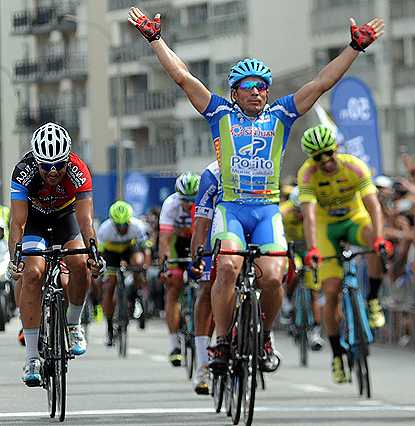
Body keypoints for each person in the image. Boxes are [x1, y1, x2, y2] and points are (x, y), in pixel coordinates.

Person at [127, 6, 385, 374]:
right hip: (231, 209)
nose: (257, 92)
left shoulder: (281, 114)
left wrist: (354, 48)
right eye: (248, 87)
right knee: (227, 268)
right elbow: (182, 76)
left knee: (275, 277)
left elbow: (322, 82)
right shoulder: (219, 113)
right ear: (234, 92)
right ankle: (221, 342)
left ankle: (264, 335)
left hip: (266, 210)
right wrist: (156, 40)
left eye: (262, 86)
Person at [8, 122, 103, 386]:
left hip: (66, 218)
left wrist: (94, 254)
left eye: (59, 165)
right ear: (35, 160)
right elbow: (18, 223)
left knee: (80, 262)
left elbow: (85, 221)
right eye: (46, 166)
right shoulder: (23, 171)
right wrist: (15, 259)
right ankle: (31, 358)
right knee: (33, 273)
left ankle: (73, 325)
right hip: (34, 220)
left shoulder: (78, 170)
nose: (53, 171)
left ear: (67, 159)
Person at [297, 125, 393, 383]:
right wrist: (312, 248)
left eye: (328, 153)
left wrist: (380, 237)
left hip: (353, 219)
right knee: (331, 292)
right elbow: (309, 216)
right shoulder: (307, 174)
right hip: (326, 228)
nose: (325, 160)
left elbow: (373, 205)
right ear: (311, 158)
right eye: (318, 157)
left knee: (374, 240)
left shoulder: (355, 166)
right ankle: (337, 355)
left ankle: (373, 299)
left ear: (336, 148)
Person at [158, 171, 200, 366]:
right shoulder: (170, 204)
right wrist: (164, 265)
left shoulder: (206, 202)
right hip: (177, 243)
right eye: (185, 200)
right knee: (174, 288)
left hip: (198, 241)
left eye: (193, 200)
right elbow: (164, 239)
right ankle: (175, 345)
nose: (189, 204)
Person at [187, 161, 221, 395]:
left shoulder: (261, 163)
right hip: (213, 229)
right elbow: (200, 226)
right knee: (207, 288)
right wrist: (197, 260)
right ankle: (202, 364)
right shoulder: (214, 173)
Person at [97, 200, 151, 346]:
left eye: (124, 224)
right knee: (110, 286)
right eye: (118, 224)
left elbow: (145, 249)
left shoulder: (137, 226)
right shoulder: (105, 229)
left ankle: (135, 294)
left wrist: (144, 269)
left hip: (129, 249)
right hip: (111, 252)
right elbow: (99, 254)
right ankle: (109, 327)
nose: (122, 227)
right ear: (113, 222)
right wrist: (100, 271)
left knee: (138, 263)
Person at [279, 186, 326, 352]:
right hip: (290, 249)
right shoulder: (283, 212)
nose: (301, 214)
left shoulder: (316, 212)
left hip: (308, 249)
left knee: (314, 292)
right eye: (298, 210)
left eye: (304, 210)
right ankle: (288, 299)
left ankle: (316, 331)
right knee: (296, 269)